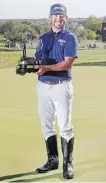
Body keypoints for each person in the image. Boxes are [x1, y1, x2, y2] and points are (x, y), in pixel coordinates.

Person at [34, 3, 78, 179]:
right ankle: (52, 160)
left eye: (62, 15)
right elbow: (38, 61)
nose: (59, 18)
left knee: (65, 127)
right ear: (50, 17)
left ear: (65, 18)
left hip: (61, 85)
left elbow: (67, 63)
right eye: (56, 15)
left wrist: (46, 68)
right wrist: (29, 66)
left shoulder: (70, 38)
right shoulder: (43, 38)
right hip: (43, 86)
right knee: (46, 125)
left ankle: (67, 165)